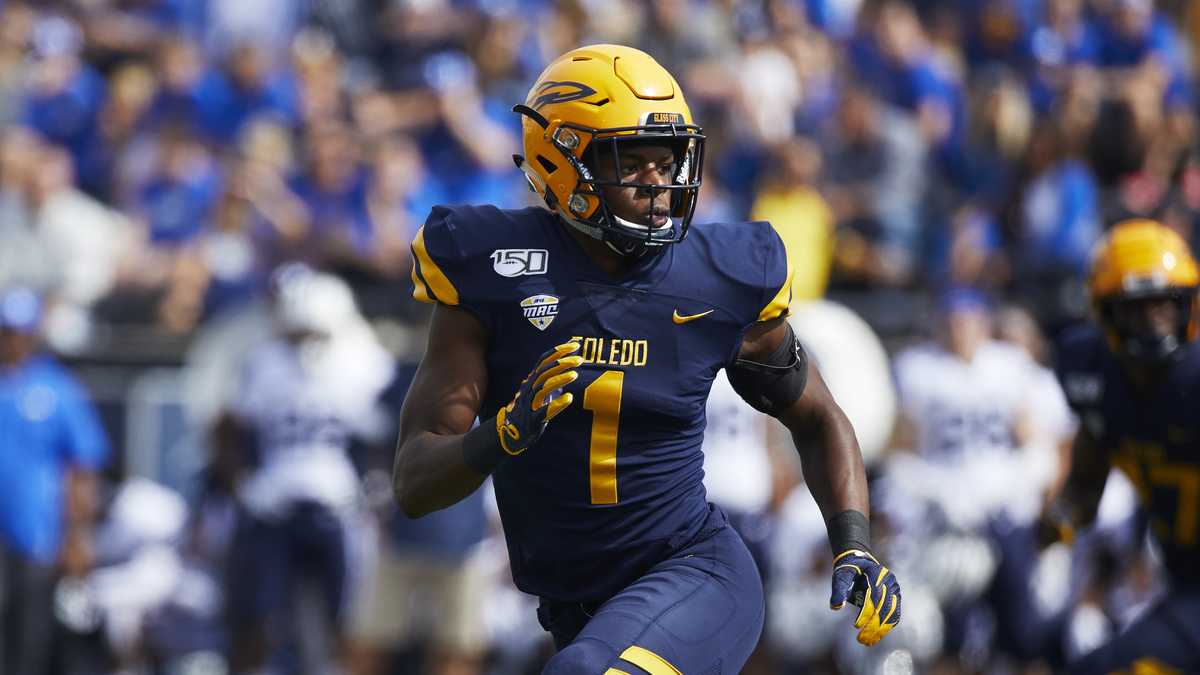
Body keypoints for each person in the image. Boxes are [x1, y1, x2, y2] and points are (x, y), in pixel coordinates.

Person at [392, 44, 902, 673]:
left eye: (670, 163)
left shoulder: (716, 274)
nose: (661, 186)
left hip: (694, 574)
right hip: (575, 602)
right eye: (633, 164)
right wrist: (501, 435)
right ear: (560, 161)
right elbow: (413, 482)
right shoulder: (494, 268)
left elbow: (818, 416)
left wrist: (854, 544)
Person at [1044, 218, 1200, 673]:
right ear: (1104, 311)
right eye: (1137, 307)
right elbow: (1085, 485)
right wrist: (1054, 526)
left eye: (1166, 305)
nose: (1154, 321)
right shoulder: (1091, 373)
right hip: (1184, 584)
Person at [0, 286, 109, 675]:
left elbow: (82, 467)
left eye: (19, 332)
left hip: (36, 533)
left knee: (31, 641)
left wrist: (78, 535)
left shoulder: (57, 389)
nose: (13, 341)